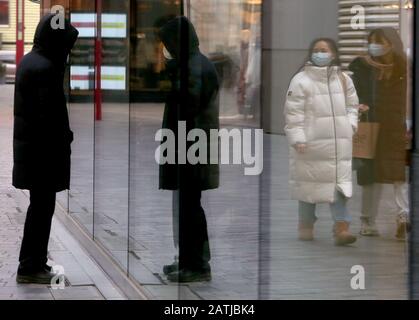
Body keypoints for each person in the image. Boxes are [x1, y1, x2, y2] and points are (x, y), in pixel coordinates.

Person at [13, 14, 79, 284]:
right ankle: (30, 267)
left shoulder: (33, 60)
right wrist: (65, 138)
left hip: (34, 152)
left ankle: (35, 262)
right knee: (41, 210)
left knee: (39, 208)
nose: (68, 52)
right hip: (42, 154)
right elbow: (48, 117)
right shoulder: (46, 68)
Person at [157, 16, 220, 282]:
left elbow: (189, 111)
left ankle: (197, 265)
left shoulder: (193, 68)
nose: (164, 50)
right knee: (188, 207)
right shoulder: (192, 64)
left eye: (167, 43)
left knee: (190, 208)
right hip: (190, 149)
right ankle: (190, 259)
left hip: (192, 151)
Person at [284, 38, 359, 246]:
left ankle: (342, 227)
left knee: (339, 186)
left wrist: (350, 125)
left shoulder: (343, 79)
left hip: (338, 145)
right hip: (310, 145)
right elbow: (293, 113)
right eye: (316, 50)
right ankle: (306, 224)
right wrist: (297, 138)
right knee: (309, 187)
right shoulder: (300, 80)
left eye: (324, 50)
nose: (320, 53)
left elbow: (353, 105)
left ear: (333, 53)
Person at [348, 28, 411, 240]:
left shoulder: (404, 67)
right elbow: (352, 95)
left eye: (379, 42)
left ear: (391, 43)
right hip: (370, 126)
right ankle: (367, 221)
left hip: (396, 127)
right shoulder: (362, 67)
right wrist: (358, 106)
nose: (374, 46)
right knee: (369, 176)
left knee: (398, 174)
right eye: (371, 41)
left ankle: (403, 217)